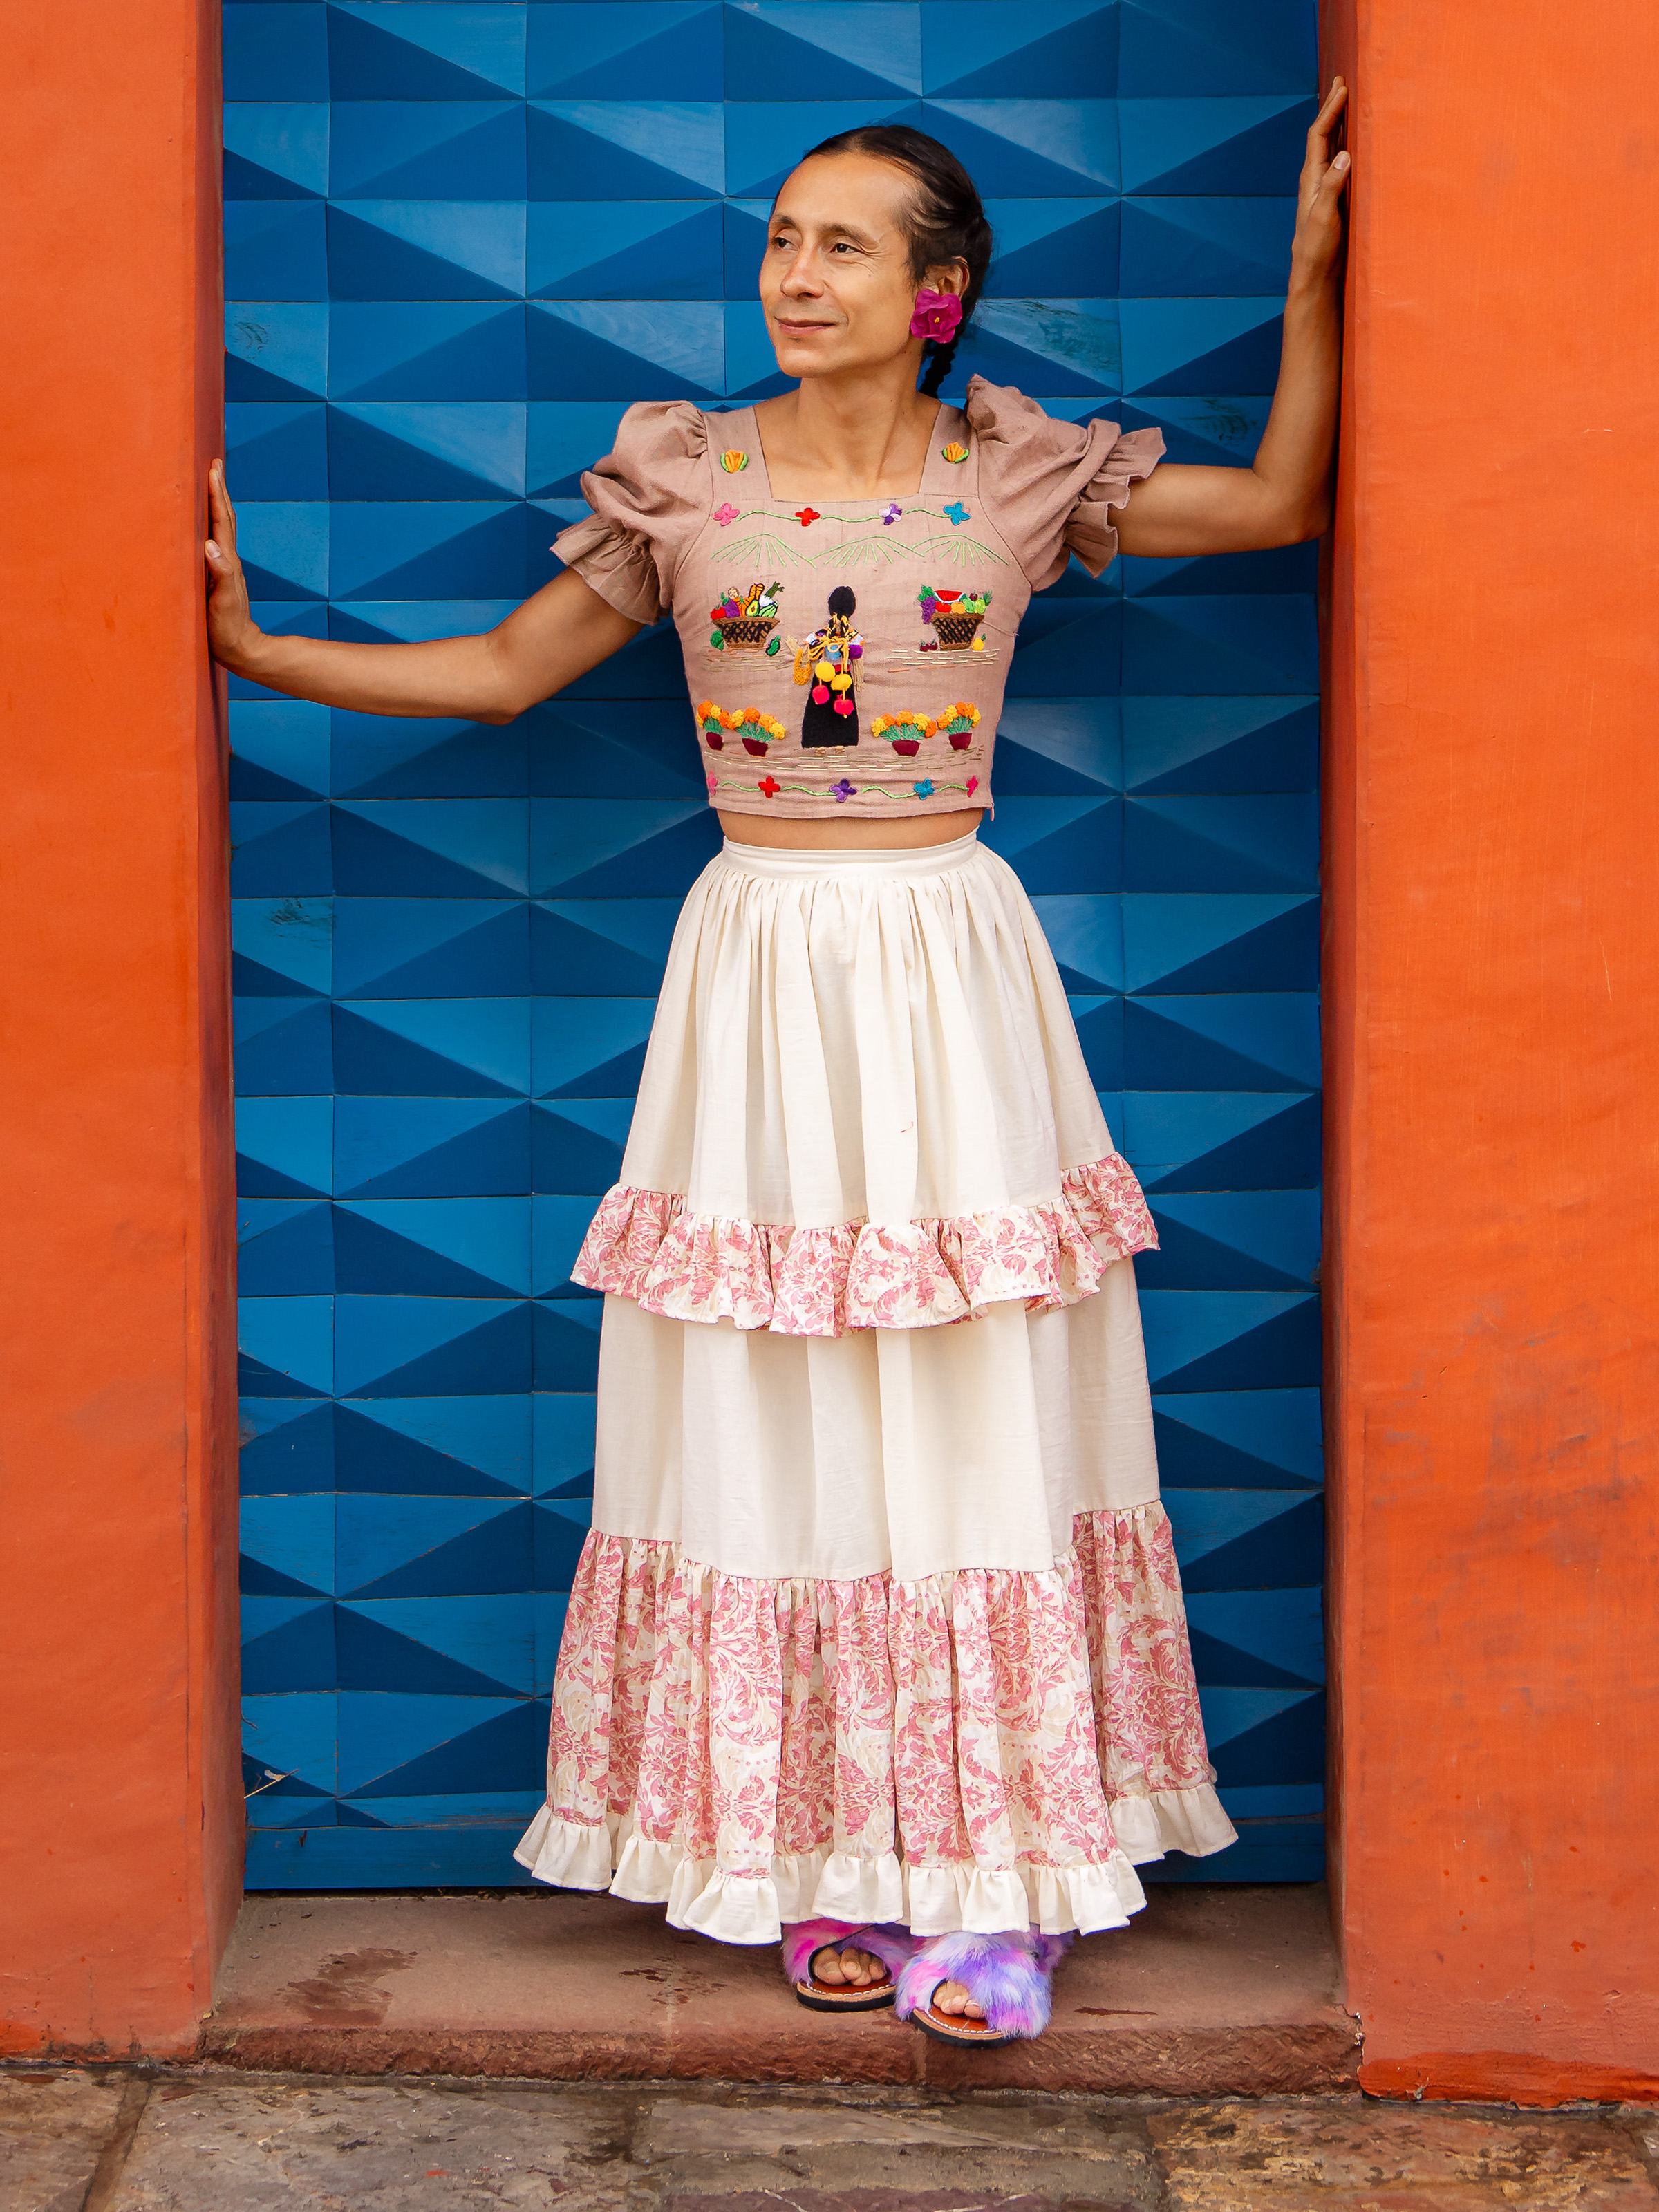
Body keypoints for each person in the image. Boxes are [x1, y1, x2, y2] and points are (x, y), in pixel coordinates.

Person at [207, 93, 1351, 2047]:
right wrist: (257, 650)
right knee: (776, 1394)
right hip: (754, 966)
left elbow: (1276, 508)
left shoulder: (1017, 473)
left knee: (970, 1383)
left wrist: (1311, 278)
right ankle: (816, 1848)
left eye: (842, 245)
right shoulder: (691, 480)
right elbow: (499, 672)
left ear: (938, 291)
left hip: (945, 966)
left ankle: (999, 1886)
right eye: (781, 239)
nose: (794, 277)